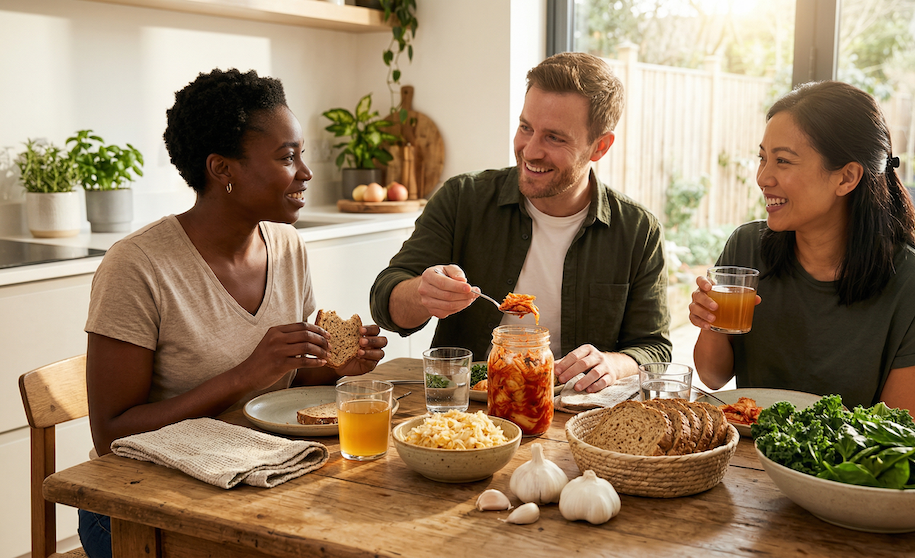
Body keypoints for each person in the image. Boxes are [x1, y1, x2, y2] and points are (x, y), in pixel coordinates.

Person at [79, 69, 387, 557]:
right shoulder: (137, 267)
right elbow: (111, 435)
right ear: (222, 169)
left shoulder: (286, 246)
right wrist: (246, 374)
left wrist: (333, 367)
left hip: (255, 476)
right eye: (288, 158)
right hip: (139, 506)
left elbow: (290, 381)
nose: (305, 172)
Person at [370, 52, 671, 394]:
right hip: (468, 412)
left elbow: (655, 349)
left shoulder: (637, 230)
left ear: (599, 146)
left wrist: (613, 363)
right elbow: (384, 300)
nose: (529, 151)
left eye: (554, 138)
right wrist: (422, 294)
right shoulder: (462, 198)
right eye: (526, 127)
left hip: (575, 414)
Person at [689, 80, 915, 418]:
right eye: (762, 158)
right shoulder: (748, 248)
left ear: (846, 177)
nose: (763, 177)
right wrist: (709, 322)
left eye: (783, 161)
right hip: (746, 456)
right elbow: (713, 375)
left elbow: (894, 431)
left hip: (840, 467)